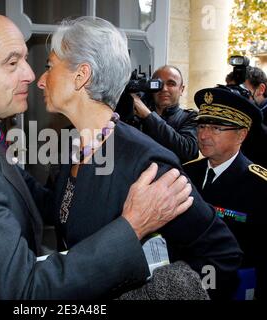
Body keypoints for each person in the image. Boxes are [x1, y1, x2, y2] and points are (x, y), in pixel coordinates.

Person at [0, 13, 194, 300]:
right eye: (12, 62)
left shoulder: (141, 158)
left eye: (43, 65)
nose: (32, 76)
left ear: (82, 76)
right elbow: (22, 289)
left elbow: (219, 251)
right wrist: (133, 226)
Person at [35, 16, 242, 300]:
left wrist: (152, 295)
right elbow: (60, 208)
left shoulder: (146, 164)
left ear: (81, 75)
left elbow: (223, 255)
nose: (40, 80)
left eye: (49, 67)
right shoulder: (75, 145)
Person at [183, 87, 267, 300]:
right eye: (201, 126)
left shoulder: (259, 185)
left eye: (216, 128)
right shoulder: (186, 173)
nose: (203, 135)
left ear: (241, 134)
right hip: (183, 281)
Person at [129, 65, 199, 163]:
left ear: (181, 89)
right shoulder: (134, 115)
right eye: (158, 84)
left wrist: (148, 116)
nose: (164, 89)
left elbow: (188, 151)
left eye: (171, 84)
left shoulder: (189, 118)